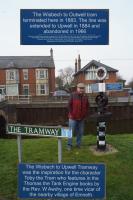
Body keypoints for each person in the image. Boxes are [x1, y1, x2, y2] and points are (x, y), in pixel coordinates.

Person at [67, 83, 89, 150]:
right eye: (80, 88)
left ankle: (78, 144)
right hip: (73, 118)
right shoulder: (73, 95)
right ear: (77, 88)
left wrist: (85, 114)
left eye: (82, 88)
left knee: (80, 132)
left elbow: (87, 106)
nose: (81, 90)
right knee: (71, 132)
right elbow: (68, 105)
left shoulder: (85, 96)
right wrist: (72, 114)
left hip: (81, 118)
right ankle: (69, 145)